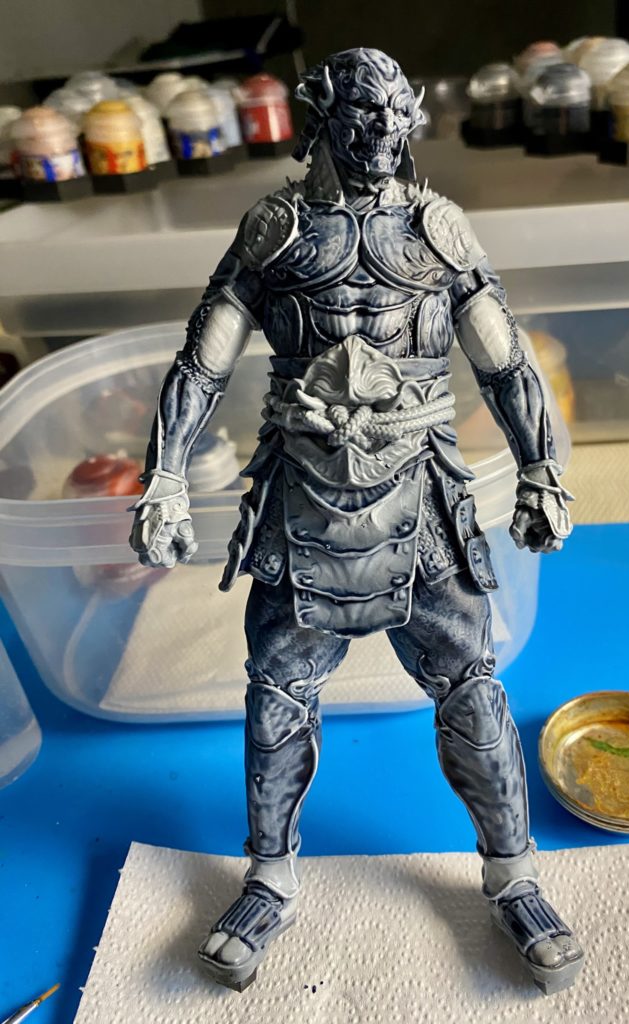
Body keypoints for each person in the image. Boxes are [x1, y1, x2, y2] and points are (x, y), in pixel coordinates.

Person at [129, 47, 582, 996]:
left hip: (425, 501)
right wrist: (164, 476)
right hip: (302, 501)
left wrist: (542, 468)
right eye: (363, 113)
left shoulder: (439, 231)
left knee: (472, 688)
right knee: (276, 693)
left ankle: (513, 876)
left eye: (394, 113)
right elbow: (204, 359)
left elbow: (504, 360)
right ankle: (269, 877)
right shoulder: (275, 231)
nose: (382, 131)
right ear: (322, 117)